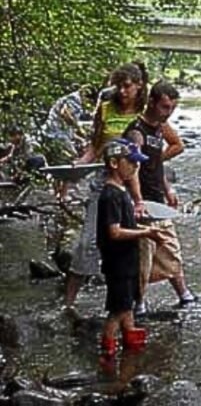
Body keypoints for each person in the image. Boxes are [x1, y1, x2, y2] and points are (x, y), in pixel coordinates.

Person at [65, 62, 149, 308]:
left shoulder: (144, 114)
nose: (122, 92)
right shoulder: (104, 108)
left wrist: (141, 197)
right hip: (104, 182)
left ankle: (136, 302)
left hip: (134, 183)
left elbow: (152, 150)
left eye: (127, 87)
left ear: (138, 86)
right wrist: (78, 165)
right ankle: (69, 303)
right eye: (118, 86)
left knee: (134, 246)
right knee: (87, 242)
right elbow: (95, 146)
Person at [123, 80, 196, 313]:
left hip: (157, 198)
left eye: (172, 108)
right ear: (151, 102)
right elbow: (131, 169)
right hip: (143, 203)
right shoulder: (137, 131)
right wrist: (137, 201)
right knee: (145, 254)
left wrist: (167, 189)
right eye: (165, 107)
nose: (169, 113)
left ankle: (184, 293)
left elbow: (155, 164)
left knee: (169, 247)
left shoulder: (159, 127)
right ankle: (139, 302)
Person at [96, 139, 165, 357]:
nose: (136, 167)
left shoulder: (121, 191)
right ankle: (107, 352)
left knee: (127, 306)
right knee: (117, 311)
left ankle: (131, 346)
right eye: (131, 162)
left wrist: (136, 220)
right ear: (115, 163)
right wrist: (146, 233)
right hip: (118, 264)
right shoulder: (111, 195)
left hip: (127, 261)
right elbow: (114, 232)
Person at [41, 85, 97, 201]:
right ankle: (63, 194)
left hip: (50, 134)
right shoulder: (74, 99)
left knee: (55, 166)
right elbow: (65, 113)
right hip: (56, 136)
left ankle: (58, 194)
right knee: (72, 160)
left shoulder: (68, 98)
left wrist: (80, 138)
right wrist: (78, 127)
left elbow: (65, 127)